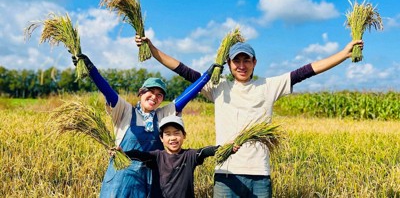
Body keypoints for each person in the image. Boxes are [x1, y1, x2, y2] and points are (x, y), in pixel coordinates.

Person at [136, 35, 364, 197]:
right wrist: (152, 49)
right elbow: (183, 70)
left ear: (255, 62)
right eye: (237, 61)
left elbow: (307, 70)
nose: (242, 65)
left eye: (247, 60)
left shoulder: (269, 85)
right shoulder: (218, 86)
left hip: (259, 174)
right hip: (226, 174)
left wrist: (343, 54)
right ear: (229, 64)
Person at [72, 53, 221, 198]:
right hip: (122, 179)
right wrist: (91, 69)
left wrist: (207, 75)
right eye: (150, 91)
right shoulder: (124, 111)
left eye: (159, 94)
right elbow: (107, 90)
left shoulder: (163, 114)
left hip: (152, 180)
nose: (154, 97)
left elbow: (187, 95)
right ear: (141, 93)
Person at [112, 115, 239, 198]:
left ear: (184, 135)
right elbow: (140, 155)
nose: (173, 138)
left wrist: (223, 149)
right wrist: (123, 153)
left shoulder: (190, 155)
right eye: (167, 134)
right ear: (161, 138)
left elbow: (204, 151)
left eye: (176, 133)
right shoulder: (157, 156)